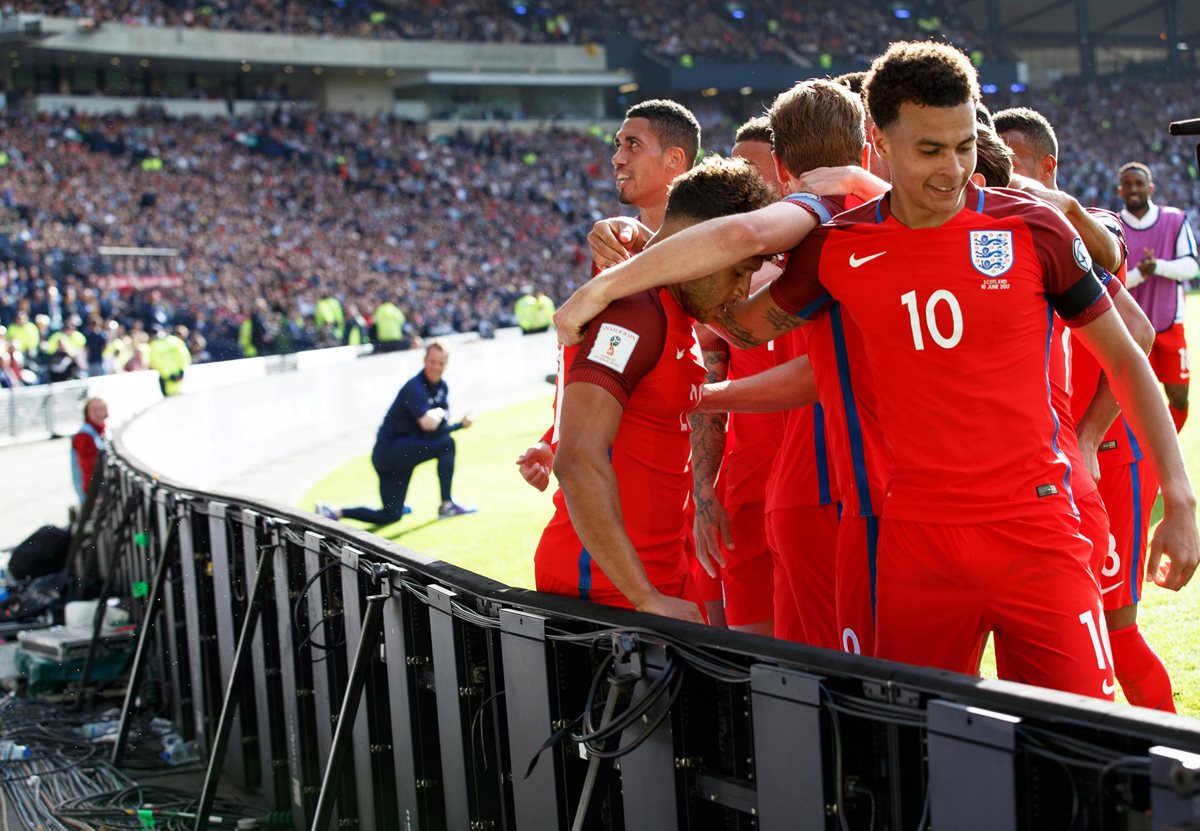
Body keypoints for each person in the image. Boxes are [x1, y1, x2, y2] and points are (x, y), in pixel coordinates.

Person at [555, 42, 1198, 699]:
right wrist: (632, 265)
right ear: (878, 139)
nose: (953, 170)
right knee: (913, 754)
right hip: (913, 546)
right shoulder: (839, 246)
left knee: (1077, 744)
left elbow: (1126, 356)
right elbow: (741, 318)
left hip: (1037, 533)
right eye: (929, 150)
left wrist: (1178, 493)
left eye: (963, 146)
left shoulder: (1033, 229)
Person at [535, 156, 773, 622]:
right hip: (606, 591)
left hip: (650, 579)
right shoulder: (634, 312)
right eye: (739, 270)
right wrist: (644, 597)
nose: (743, 290)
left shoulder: (669, 307)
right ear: (700, 244)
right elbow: (578, 459)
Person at [996, 106, 1176, 711]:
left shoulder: (1076, 225)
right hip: (1044, 472)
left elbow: (1140, 333)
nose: (999, 171)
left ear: (1048, 165)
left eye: (1011, 157)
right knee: (1045, 641)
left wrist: (1089, 433)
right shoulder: (995, 236)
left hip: (1108, 456)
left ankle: (1175, 772)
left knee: (1115, 633)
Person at [517, 99, 701, 492]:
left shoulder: (723, 252)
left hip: (690, 493)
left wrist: (705, 492)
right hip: (614, 496)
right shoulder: (613, 253)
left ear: (674, 159)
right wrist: (555, 437)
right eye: (617, 145)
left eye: (632, 145)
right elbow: (601, 368)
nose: (617, 158)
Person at [318, 341, 475, 525]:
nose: (435, 367)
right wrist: (459, 425)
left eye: (440, 363)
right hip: (390, 453)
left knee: (391, 515)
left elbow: (438, 427)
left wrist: (446, 419)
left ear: (446, 365)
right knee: (447, 444)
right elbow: (428, 426)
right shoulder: (414, 387)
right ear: (424, 360)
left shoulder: (442, 387)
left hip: (403, 454)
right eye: (432, 361)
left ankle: (334, 511)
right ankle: (446, 505)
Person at [1117, 161, 1199, 432]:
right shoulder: (1112, 225)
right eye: (1127, 184)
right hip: (1131, 331)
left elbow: (1191, 266)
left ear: (1150, 188)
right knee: (1135, 401)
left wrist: (1158, 267)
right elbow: (1108, 282)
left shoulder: (1175, 220)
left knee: (1179, 398)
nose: (1134, 189)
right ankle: (1148, 460)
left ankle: (1163, 451)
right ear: (1120, 191)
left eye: (1139, 184)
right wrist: (1140, 273)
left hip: (1169, 326)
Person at [71, 397, 108, 502]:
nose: (99, 413)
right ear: (87, 413)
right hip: (91, 492)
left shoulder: (102, 431)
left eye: (101, 409)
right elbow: (88, 468)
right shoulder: (84, 435)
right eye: (94, 410)